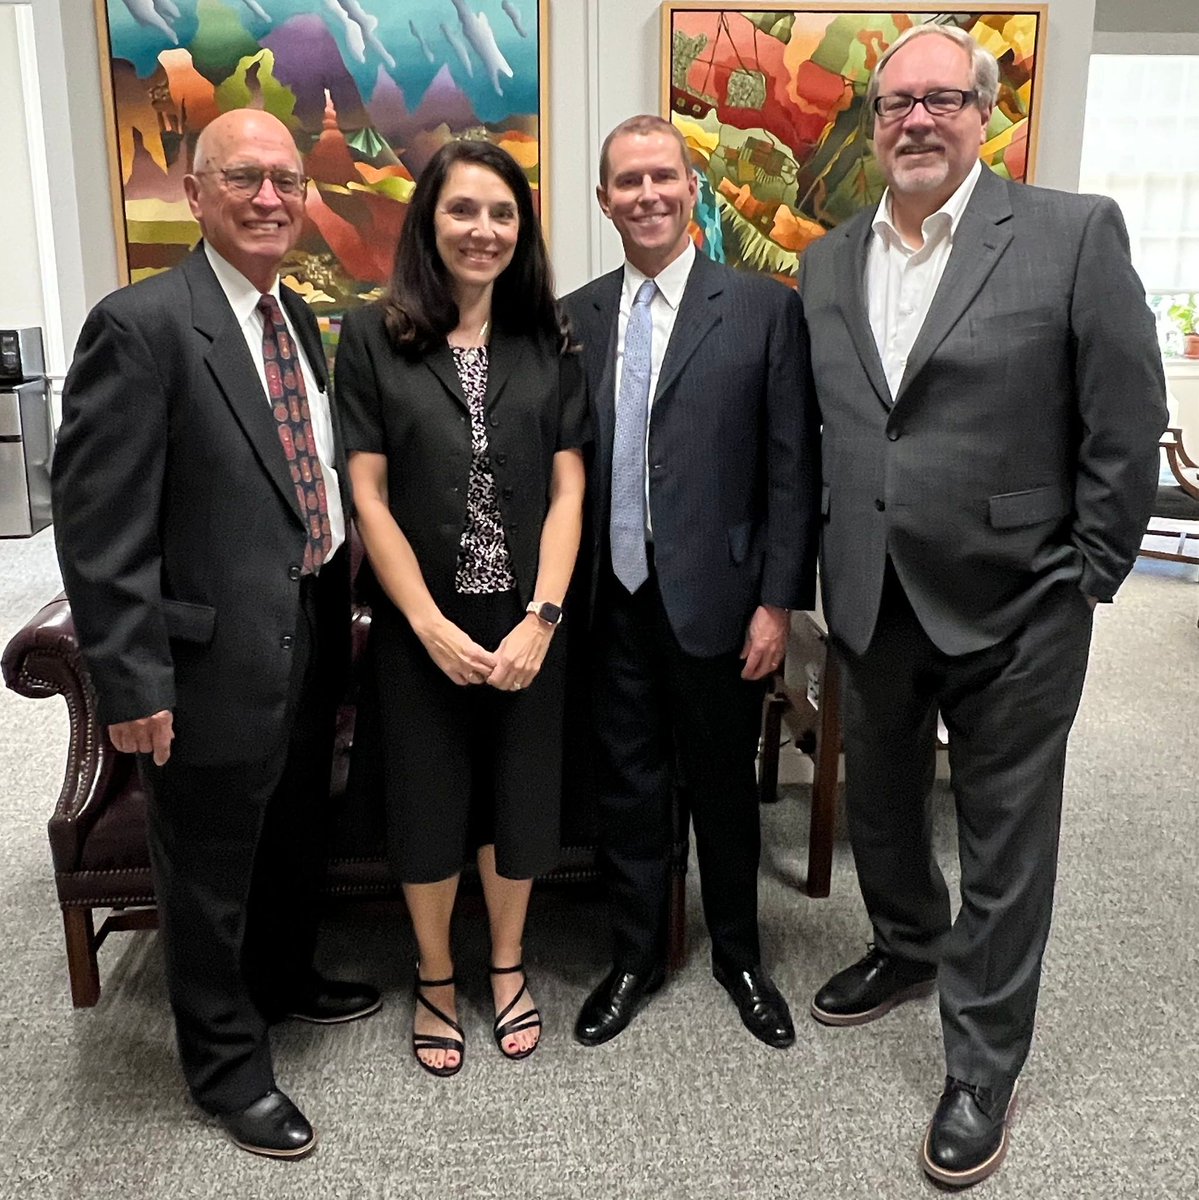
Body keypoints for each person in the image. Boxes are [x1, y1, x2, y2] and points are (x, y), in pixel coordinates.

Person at [798, 24, 1168, 1187]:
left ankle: (980, 1063)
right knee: (885, 809)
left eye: (940, 99)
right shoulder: (824, 260)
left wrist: (1091, 571)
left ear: (983, 112)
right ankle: (906, 943)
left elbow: (1123, 416)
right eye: (894, 102)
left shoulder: (1068, 233)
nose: (915, 119)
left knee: (1007, 842)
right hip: (871, 592)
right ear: (870, 123)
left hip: (1020, 605)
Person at [51, 109, 380, 1160]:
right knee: (204, 867)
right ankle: (226, 1066)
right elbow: (101, 530)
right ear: (194, 193)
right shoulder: (140, 324)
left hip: (306, 629)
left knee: (288, 831)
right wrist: (132, 681)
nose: (272, 198)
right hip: (198, 661)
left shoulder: (302, 320)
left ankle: (283, 981)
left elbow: (300, 476)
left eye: (287, 179)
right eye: (245, 179)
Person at [562, 115, 820, 1050]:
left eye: (662, 177)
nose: (647, 196)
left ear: (689, 185)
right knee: (629, 789)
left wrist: (778, 604)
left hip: (721, 602)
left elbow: (793, 469)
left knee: (722, 788)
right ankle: (635, 955)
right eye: (626, 182)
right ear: (603, 200)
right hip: (610, 604)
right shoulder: (575, 317)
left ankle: (739, 956)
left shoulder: (760, 308)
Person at [335, 140, 587, 1077]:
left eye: (502, 213)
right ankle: (437, 976)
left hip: (530, 622)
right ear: (427, 222)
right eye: (462, 210)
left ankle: (508, 963)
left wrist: (544, 617)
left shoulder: (548, 339)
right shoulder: (371, 336)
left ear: (521, 229)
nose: (483, 230)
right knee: (429, 805)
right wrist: (428, 624)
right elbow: (368, 494)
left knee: (521, 806)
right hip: (420, 627)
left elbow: (569, 491)